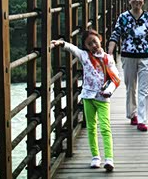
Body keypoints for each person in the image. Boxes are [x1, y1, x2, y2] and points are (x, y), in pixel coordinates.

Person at [51, 29, 120, 171]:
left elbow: (115, 78)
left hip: (102, 97)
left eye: (94, 41)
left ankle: (109, 158)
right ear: (86, 46)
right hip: (88, 96)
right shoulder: (85, 56)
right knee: (91, 127)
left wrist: (109, 91)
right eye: (89, 44)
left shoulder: (108, 58)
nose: (93, 45)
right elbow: (73, 49)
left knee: (105, 127)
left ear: (100, 39)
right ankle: (95, 157)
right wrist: (61, 43)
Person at [107, 0, 148, 132]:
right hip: (128, 55)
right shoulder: (123, 17)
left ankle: (142, 119)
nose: (137, 0)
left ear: (144, 0)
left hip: (145, 56)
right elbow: (115, 34)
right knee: (131, 87)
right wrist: (110, 53)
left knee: (144, 89)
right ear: (129, 0)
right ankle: (132, 114)